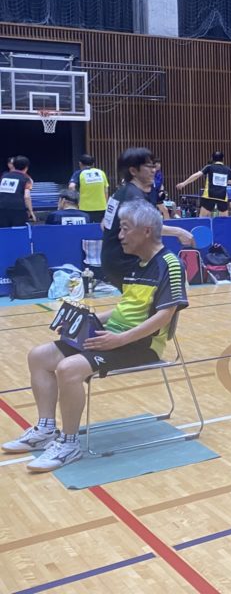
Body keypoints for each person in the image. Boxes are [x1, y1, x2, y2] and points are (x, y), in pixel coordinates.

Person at [2, 200, 188, 471]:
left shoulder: (169, 265)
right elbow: (125, 308)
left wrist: (120, 339)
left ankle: (69, 445)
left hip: (141, 344)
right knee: (39, 356)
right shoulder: (138, 264)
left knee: (68, 369)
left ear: (146, 231)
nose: (120, 236)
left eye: (125, 229)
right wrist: (84, 321)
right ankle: (45, 429)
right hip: (112, 337)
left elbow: (165, 316)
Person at [101, 148, 193, 290]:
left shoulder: (122, 192)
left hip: (114, 260)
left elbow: (103, 225)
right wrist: (179, 232)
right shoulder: (133, 196)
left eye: (154, 165)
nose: (154, 170)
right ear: (133, 171)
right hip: (125, 262)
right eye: (149, 166)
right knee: (173, 277)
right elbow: (145, 227)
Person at [176, 151, 231, 217]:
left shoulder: (209, 167)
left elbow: (196, 175)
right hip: (222, 198)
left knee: (202, 219)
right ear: (223, 159)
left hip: (209, 196)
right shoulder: (227, 169)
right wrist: (225, 181)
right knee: (224, 221)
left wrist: (183, 183)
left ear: (212, 158)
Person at [68, 153, 109, 223]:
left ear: (80, 163)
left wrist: (76, 202)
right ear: (93, 164)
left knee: (87, 228)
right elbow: (106, 190)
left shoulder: (79, 173)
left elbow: (71, 187)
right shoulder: (101, 173)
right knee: (99, 228)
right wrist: (106, 204)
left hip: (84, 208)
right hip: (101, 208)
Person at [0, 155, 35, 227]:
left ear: (14, 165)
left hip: (1, 208)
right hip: (18, 209)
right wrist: (31, 211)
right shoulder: (26, 178)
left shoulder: (4, 176)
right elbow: (27, 196)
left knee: (3, 231)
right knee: (18, 231)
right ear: (26, 167)